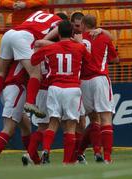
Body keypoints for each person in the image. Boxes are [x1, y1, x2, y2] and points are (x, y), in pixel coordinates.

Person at [30, 20, 91, 164]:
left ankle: (46, 150)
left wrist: (43, 46)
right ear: (71, 33)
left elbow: (33, 60)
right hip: (72, 88)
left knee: (52, 122)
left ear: (57, 33)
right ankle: (66, 162)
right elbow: (90, 62)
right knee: (70, 127)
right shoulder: (79, 48)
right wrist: (80, 44)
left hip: (54, 88)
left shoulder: (50, 48)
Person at [0, 10, 62, 123]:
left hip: (10, 33)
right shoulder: (59, 21)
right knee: (35, 73)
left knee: (1, 72)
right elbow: (59, 29)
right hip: (25, 37)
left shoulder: (39, 12)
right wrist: (43, 41)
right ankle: (30, 103)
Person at [77, 15, 119, 164]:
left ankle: (80, 152)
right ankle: (107, 157)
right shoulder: (104, 37)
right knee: (106, 118)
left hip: (84, 82)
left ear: (83, 24)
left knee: (94, 119)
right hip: (100, 79)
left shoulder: (79, 39)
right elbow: (115, 59)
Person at [0, 61, 31, 167]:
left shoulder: (13, 51)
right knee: (9, 128)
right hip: (17, 88)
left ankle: (31, 156)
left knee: (25, 125)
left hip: (7, 89)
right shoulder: (28, 50)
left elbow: (0, 74)